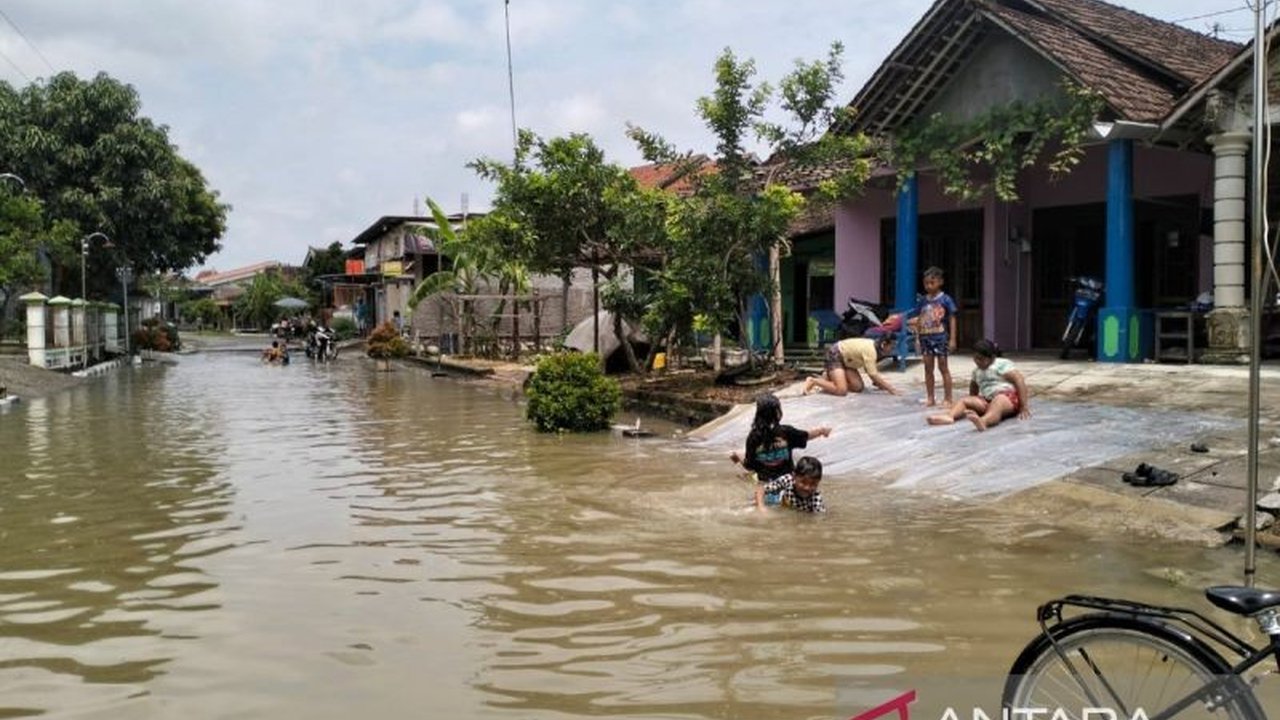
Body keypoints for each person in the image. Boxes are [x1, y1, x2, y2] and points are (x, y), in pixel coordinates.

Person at [926, 339, 1031, 431]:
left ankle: (984, 421)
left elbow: (1019, 380)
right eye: (975, 358)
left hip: (1008, 398)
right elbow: (973, 387)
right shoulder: (977, 371)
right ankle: (950, 416)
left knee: (998, 401)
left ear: (992, 358)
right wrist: (973, 403)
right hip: (987, 400)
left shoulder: (1000, 364)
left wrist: (1024, 407)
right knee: (964, 400)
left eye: (981, 359)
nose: (977, 362)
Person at [729, 393, 832, 483]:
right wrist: (821, 431)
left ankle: (737, 455)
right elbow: (806, 436)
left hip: (764, 481)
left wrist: (738, 456)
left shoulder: (753, 437)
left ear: (758, 414)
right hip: (788, 479)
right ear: (778, 413)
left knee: (749, 474)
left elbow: (750, 465)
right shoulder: (786, 432)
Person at [802, 335, 902, 397]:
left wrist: (880, 385)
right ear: (884, 344)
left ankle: (832, 380)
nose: (892, 349)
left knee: (858, 387)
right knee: (842, 391)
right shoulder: (871, 351)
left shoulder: (877, 348)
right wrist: (891, 390)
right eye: (891, 346)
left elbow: (871, 370)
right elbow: (873, 374)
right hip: (836, 354)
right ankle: (813, 381)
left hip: (848, 361)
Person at [916, 266, 958, 407]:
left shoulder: (946, 299)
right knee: (928, 368)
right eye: (926, 283)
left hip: (940, 338)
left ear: (940, 282)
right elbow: (919, 318)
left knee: (943, 367)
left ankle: (948, 398)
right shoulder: (923, 300)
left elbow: (952, 318)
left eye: (931, 283)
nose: (928, 286)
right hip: (925, 338)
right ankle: (930, 397)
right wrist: (917, 337)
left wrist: (952, 339)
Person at [753, 456, 825, 513]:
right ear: (794, 476)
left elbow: (818, 519)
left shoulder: (815, 500)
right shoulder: (787, 480)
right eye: (803, 482)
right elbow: (760, 489)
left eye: (813, 484)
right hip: (778, 500)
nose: (807, 488)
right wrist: (761, 507)